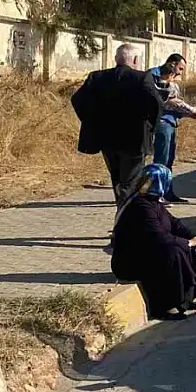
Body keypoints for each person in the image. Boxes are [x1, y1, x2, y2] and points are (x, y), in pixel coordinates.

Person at [72, 43, 163, 250]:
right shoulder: (142, 78)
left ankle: (123, 228)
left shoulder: (97, 77)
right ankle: (122, 234)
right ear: (135, 60)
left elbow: (77, 99)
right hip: (133, 142)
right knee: (130, 187)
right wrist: (150, 127)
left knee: (119, 184)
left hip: (107, 142)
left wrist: (91, 121)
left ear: (116, 59)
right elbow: (157, 105)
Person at [111, 164, 196, 321]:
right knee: (173, 252)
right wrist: (187, 243)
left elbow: (175, 224)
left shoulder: (152, 202)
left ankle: (184, 300)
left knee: (186, 248)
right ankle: (160, 307)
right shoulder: (141, 206)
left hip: (148, 251)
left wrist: (195, 238)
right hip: (130, 261)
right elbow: (158, 237)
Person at [151, 61, 196, 203]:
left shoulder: (167, 81)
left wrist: (190, 114)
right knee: (161, 161)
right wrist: (192, 110)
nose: (180, 73)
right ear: (172, 66)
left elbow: (174, 107)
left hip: (170, 122)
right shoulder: (156, 79)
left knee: (168, 160)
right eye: (179, 69)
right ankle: (156, 194)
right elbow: (172, 102)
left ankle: (167, 192)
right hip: (162, 123)